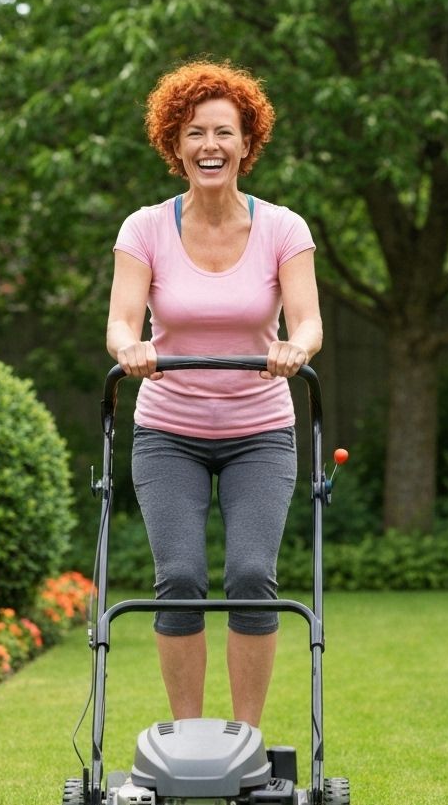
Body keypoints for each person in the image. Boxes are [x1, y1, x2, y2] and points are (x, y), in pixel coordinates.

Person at [105, 60, 322, 728]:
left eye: (224, 133)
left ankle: (244, 741)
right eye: (195, 132)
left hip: (260, 432)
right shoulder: (143, 228)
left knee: (254, 576)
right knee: (179, 580)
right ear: (174, 144)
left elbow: (308, 319)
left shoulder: (284, 228)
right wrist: (130, 348)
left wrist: (296, 347)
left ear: (247, 146)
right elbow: (120, 320)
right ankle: (190, 741)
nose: (210, 145)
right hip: (168, 433)